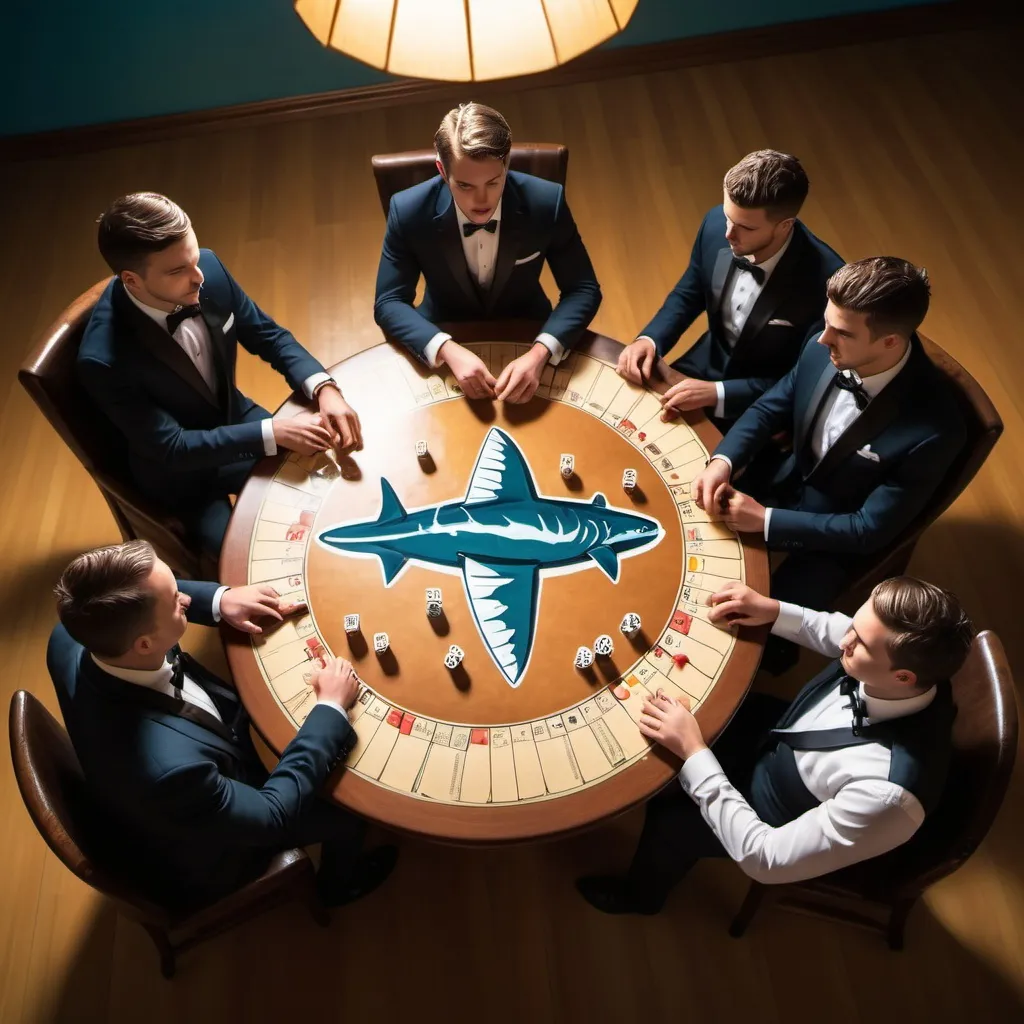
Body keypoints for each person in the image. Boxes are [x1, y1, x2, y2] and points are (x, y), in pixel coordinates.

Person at [576, 575, 975, 914]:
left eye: (860, 643)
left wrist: (695, 754)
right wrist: (771, 609)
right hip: (784, 735)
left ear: (903, 678)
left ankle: (642, 897)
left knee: (669, 820)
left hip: (774, 809)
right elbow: (836, 630)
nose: (845, 639)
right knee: (705, 707)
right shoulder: (893, 661)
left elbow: (765, 859)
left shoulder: (887, 799)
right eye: (856, 622)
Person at [48, 540, 395, 909]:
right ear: (145, 644)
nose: (185, 599)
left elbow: (166, 599)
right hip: (213, 851)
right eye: (176, 602)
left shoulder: (74, 634)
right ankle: (338, 887)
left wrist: (220, 600)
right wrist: (329, 707)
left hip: (184, 772)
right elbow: (272, 815)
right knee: (351, 812)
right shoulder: (170, 771)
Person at [78, 192, 363, 556]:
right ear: (132, 280)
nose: (198, 277)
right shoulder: (102, 360)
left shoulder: (207, 269)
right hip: (184, 478)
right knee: (251, 556)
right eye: (177, 271)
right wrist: (271, 431)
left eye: (193, 258)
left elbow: (268, 336)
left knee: (335, 493)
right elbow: (172, 448)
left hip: (235, 417)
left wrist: (324, 388)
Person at [690, 256, 965, 616]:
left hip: (833, 539)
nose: (823, 339)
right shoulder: (824, 343)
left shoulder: (936, 430)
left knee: (746, 627)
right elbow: (768, 408)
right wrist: (723, 462)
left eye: (843, 333)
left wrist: (767, 521)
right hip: (781, 476)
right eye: (827, 322)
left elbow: (868, 529)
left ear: (890, 342)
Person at [373, 102, 601, 404]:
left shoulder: (548, 202)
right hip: (442, 332)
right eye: (464, 185)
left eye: (493, 183)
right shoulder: (407, 209)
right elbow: (388, 303)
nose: (481, 200)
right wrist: (446, 349)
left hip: (528, 331)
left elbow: (583, 289)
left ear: (506, 163)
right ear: (442, 170)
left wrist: (540, 352)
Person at [617, 150, 843, 426]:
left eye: (745, 227)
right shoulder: (715, 224)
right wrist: (649, 340)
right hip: (703, 365)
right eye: (728, 217)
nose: (728, 234)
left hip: (763, 402)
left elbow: (806, 377)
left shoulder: (829, 284)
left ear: (785, 226)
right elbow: (689, 294)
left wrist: (717, 394)